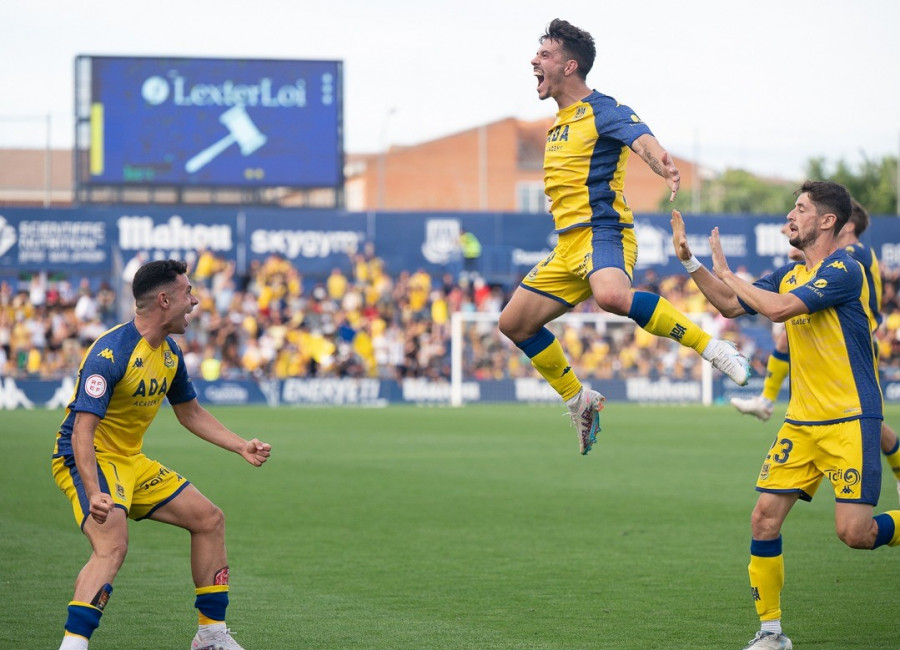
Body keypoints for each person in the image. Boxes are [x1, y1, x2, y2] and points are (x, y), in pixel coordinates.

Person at [497, 18, 751, 455]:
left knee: (613, 296)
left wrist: (663, 165)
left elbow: (641, 138)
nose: (534, 61)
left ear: (570, 65)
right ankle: (579, 398)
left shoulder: (604, 109)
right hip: (567, 246)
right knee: (513, 323)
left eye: (545, 55)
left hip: (603, 232)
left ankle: (712, 347)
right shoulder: (557, 124)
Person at [671, 181, 900, 650]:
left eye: (800, 209)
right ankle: (771, 633)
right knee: (763, 520)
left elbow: (775, 312)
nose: (790, 217)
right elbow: (732, 304)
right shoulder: (789, 273)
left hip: (851, 420)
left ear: (827, 221)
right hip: (801, 423)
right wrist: (692, 263)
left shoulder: (846, 269)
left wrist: (727, 271)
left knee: (855, 533)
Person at [51, 260, 272, 650]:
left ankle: (211, 636)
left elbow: (190, 413)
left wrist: (241, 445)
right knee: (112, 546)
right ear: (165, 299)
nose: (196, 301)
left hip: (129, 461)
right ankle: (72, 645)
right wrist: (93, 489)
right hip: (88, 457)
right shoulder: (110, 353)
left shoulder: (169, 354)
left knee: (209, 519)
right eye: (188, 293)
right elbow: (82, 431)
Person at [732, 200, 900, 501]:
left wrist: (800, 245)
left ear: (845, 225)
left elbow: (823, 262)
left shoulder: (854, 254)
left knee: (867, 420)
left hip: (855, 339)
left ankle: (767, 400)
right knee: (786, 339)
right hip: (837, 329)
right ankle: (766, 400)